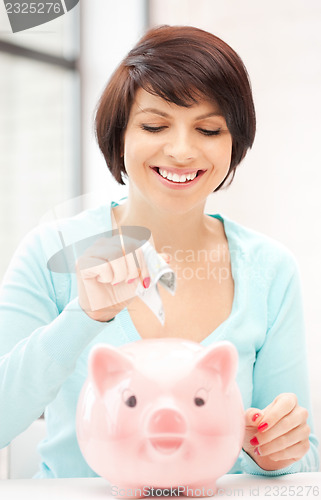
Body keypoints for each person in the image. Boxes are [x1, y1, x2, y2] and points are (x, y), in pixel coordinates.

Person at [0, 25, 319, 479]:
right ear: (120, 133)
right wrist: (84, 318)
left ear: (235, 143)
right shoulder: (52, 252)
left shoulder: (269, 269)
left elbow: (303, 455)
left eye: (209, 129)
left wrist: (272, 451)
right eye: (154, 125)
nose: (182, 150)